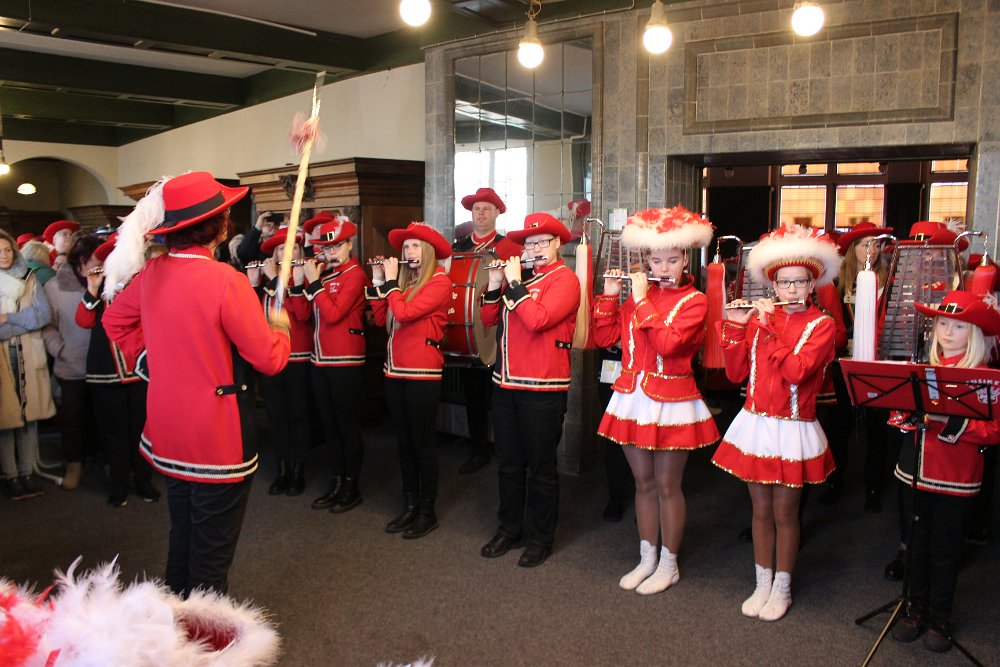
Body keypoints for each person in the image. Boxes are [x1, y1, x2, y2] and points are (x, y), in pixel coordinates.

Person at [103, 172, 291, 597]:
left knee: (184, 537)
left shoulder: (152, 272)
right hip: (216, 438)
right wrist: (280, 327)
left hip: (169, 433)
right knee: (210, 557)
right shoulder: (227, 281)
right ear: (221, 226)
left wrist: (149, 363)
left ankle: (174, 627)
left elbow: (113, 321)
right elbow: (270, 359)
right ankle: (204, 636)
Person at [712, 223, 842, 621]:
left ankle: (782, 586)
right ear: (773, 284)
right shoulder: (759, 321)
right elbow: (736, 374)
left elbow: (797, 371)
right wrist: (736, 325)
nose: (791, 290)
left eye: (799, 282)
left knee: (786, 513)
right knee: (759, 511)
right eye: (784, 283)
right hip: (756, 424)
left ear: (812, 284)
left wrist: (766, 329)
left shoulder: (822, 325)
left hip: (793, 426)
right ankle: (762, 582)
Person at [593, 206, 721, 594]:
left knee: (667, 485)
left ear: (686, 260)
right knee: (643, 483)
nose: (664, 268)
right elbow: (605, 339)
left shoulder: (695, 301)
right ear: (646, 261)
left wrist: (641, 300)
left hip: (673, 400)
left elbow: (667, 343)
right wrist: (609, 297)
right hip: (633, 398)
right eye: (657, 260)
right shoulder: (639, 297)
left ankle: (669, 564)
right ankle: (647, 558)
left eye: (672, 260)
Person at [886, 291, 1000, 652]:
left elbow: (994, 431)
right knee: (916, 545)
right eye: (943, 324)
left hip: (955, 477)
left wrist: (946, 420)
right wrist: (903, 415)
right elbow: (902, 414)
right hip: (914, 471)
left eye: (959, 326)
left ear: (975, 333)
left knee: (946, 550)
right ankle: (914, 609)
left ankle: (940, 616)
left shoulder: (986, 377)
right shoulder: (920, 371)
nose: (948, 332)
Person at [479, 212, 580, 568]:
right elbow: (488, 320)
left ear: (557, 244)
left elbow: (538, 319)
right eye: (529, 243)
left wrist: (513, 282)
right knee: (508, 464)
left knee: (540, 467)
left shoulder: (565, 279)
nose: (534, 249)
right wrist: (495, 284)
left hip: (542, 387)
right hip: (505, 384)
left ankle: (541, 538)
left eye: (541, 242)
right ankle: (509, 529)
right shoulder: (519, 279)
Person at [367, 222, 452, 538]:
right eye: (405, 247)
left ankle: (427, 511)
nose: (409, 252)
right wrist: (379, 280)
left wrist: (390, 283)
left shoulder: (440, 282)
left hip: (422, 374)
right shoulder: (404, 283)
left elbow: (404, 314)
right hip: (395, 371)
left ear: (428, 251)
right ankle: (410, 504)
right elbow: (382, 319)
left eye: (415, 246)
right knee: (403, 443)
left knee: (422, 443)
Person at [76, 233, 158, 507]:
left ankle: (144, 482)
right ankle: (119, 485)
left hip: (140, 369)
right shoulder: (99, 286)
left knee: (142, 429)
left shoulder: (145, 283)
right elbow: (83, 321)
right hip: (106, 371)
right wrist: (92, 289)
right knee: (114, 432)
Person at [822, 222, 893, 511]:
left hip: (878, 365)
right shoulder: (836, 285)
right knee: (838, 426)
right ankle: (834, 481)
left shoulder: (890, 283)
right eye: (866, 244)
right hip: (843, 365)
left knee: (877, 429)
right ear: (853, 250)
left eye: (877, 244)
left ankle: (873, 486)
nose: (872, 250)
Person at [453, 187, 522, 475]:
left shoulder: (510, 247)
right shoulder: (459, 247)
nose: (480, 213)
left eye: (486, 209)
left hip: (500, 327)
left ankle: (508, 452)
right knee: (474, 395)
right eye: (476, 209)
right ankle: (478, 450)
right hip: (469, 330)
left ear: (497, 213)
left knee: (501, 397)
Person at [305, 217, 370, 513]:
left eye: (336, 246)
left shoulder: (355, 275)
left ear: (349, 245)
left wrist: (314, 283)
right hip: (319, 359)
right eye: (326, 248)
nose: (330, 252)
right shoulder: (325, 274)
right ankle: (336, 481)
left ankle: (351, 486)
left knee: (347, 425)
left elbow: (333, 315)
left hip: (345, 359)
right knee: (329, 425)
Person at [255, 229, 313, 497]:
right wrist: (258, 283)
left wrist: (276, 280)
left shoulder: (303, 276)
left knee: (299, 414)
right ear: (275, 254)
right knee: (276, 415)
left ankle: (298, 469)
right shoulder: (266, 277)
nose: (286, 252)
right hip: (271, 357)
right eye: (281, 248)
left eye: (292, 248)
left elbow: (302, 314)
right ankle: (282, 469)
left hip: (298, 355)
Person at [42, 234, 102, 491]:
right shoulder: (56, 286)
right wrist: (59, 349)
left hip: (102, 364)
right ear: (81, 260)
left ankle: (100, 459)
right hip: (71, 363)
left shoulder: (107, 282)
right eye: (96, 258)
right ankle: (74, 464)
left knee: (99, 416)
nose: (102, 263)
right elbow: (47, 325)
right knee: (73, 418)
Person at [0, 229, 55, 500]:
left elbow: (43, 315)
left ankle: (27, 471)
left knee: (28, 416)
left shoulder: (30, 277)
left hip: (28, 353)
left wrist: (8, 318)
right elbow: (29, 319)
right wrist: (24, 321)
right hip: (2, 357)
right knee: (7, 418)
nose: (4, 255)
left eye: (7, 250)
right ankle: (10, 475)